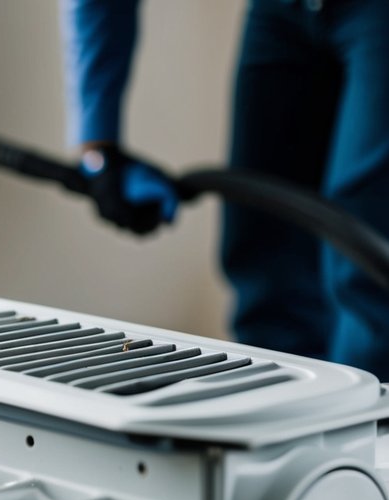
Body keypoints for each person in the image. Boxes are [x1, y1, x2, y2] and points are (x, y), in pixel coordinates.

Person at [61, 0, 389, 379]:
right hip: (282, 11)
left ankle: (372, 429)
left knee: (367, 269)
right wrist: (100, 149)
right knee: (266, 267)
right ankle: (277, 419)